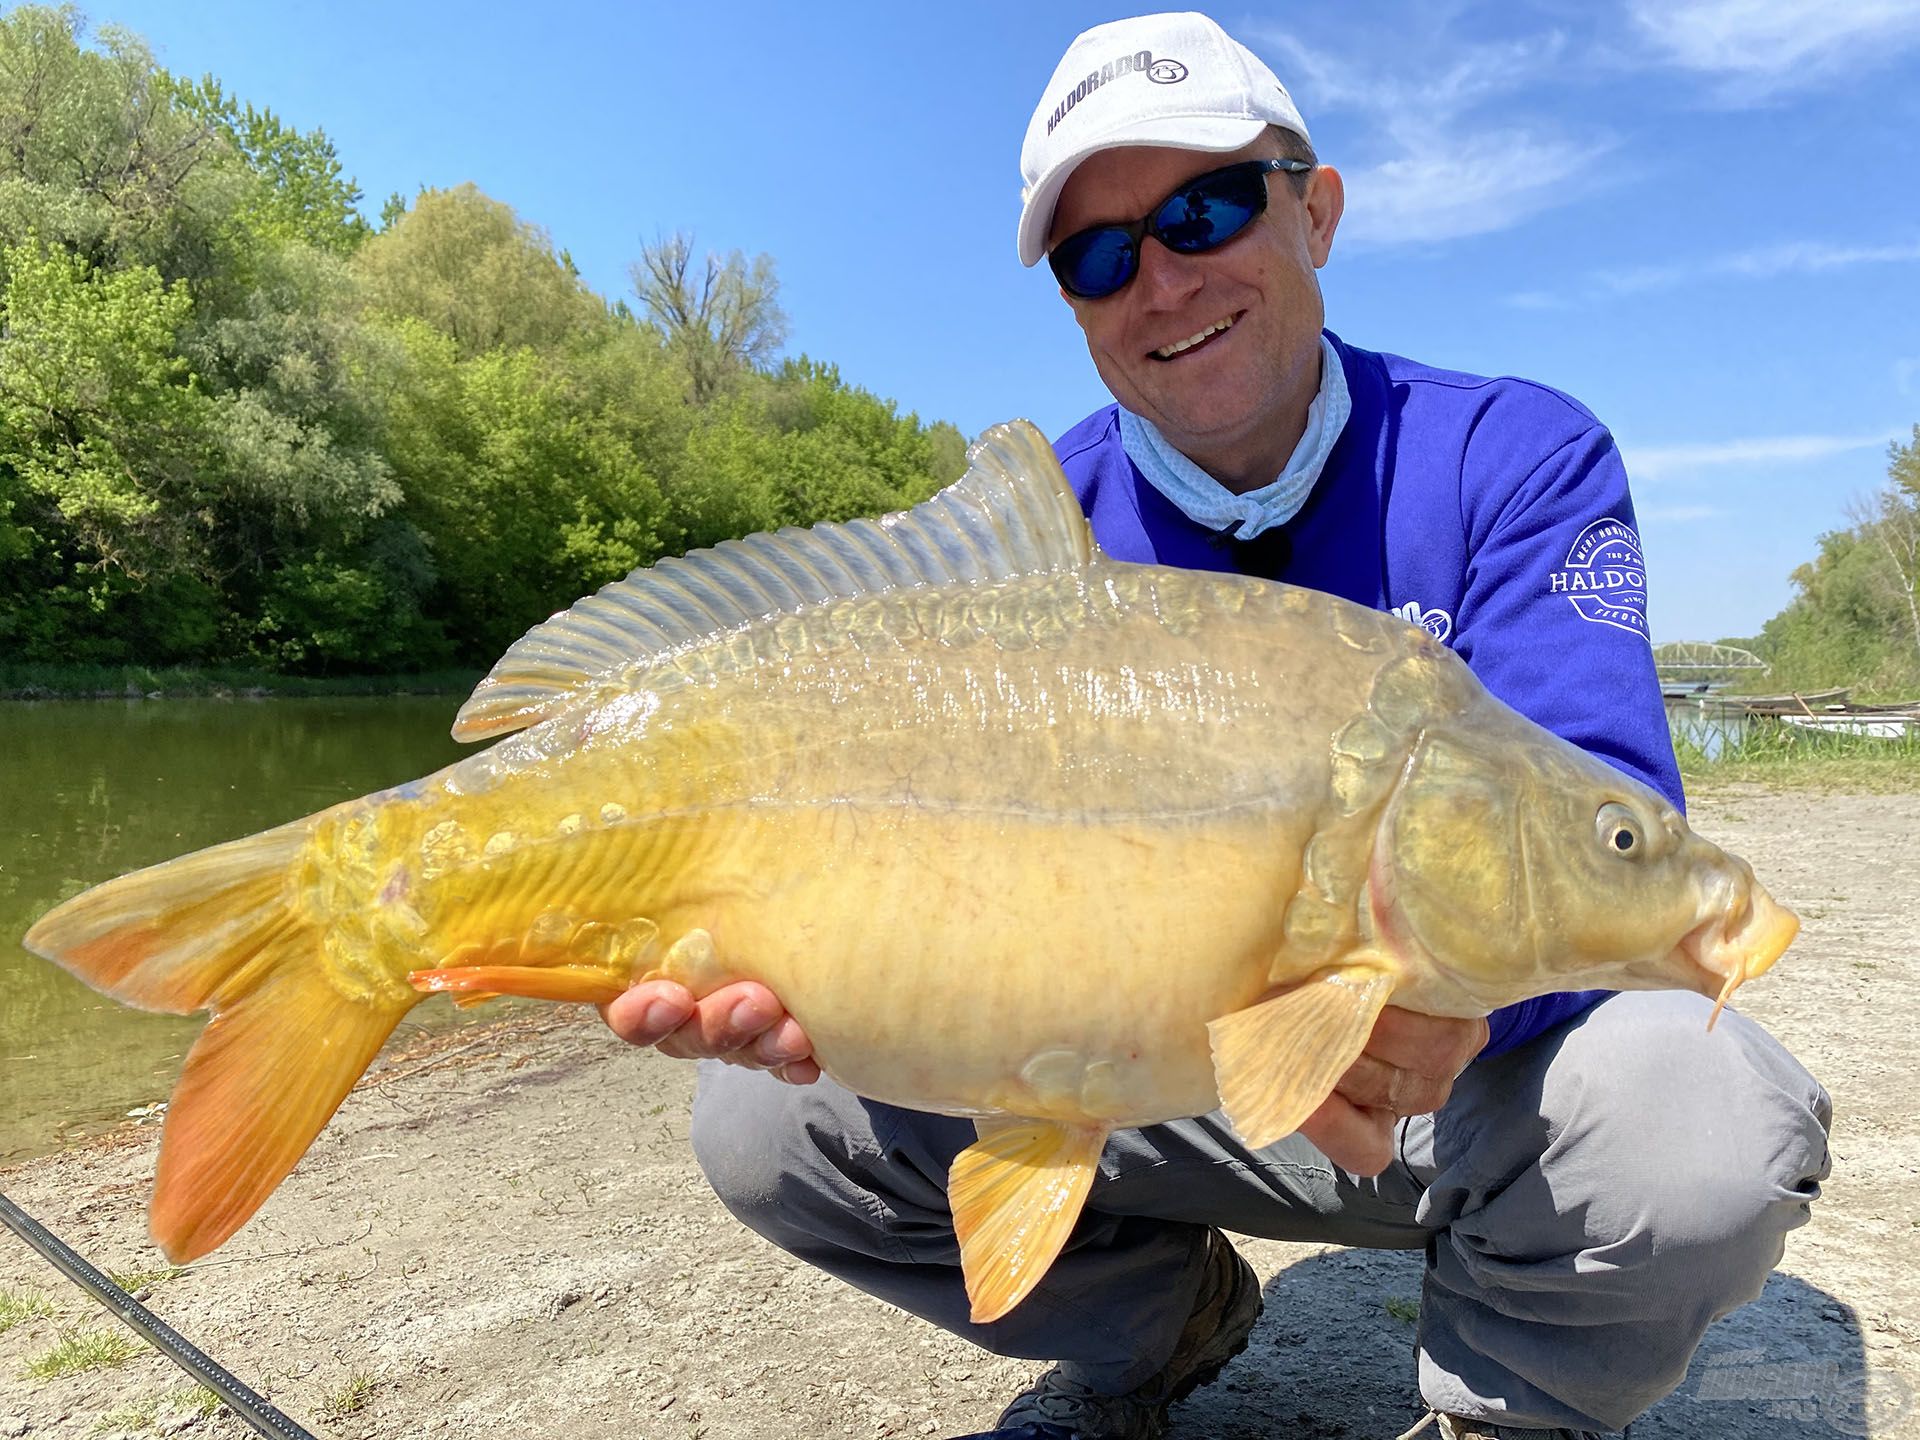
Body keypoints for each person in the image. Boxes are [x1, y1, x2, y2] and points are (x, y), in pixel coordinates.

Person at [602, 13, 1833, 1439]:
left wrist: (1449, 1010)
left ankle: (1510, 1403)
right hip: (1139, 1077)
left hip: (1464, 1084)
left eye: (1205, 206)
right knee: (771, 1126)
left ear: (1315, 207)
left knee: (1699, 1121)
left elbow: (1604, 800)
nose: (1162, 278)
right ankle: (1169, 1328)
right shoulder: (1028, 541)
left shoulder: (1512, 456)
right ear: (1072, 300)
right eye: (1101, 254)